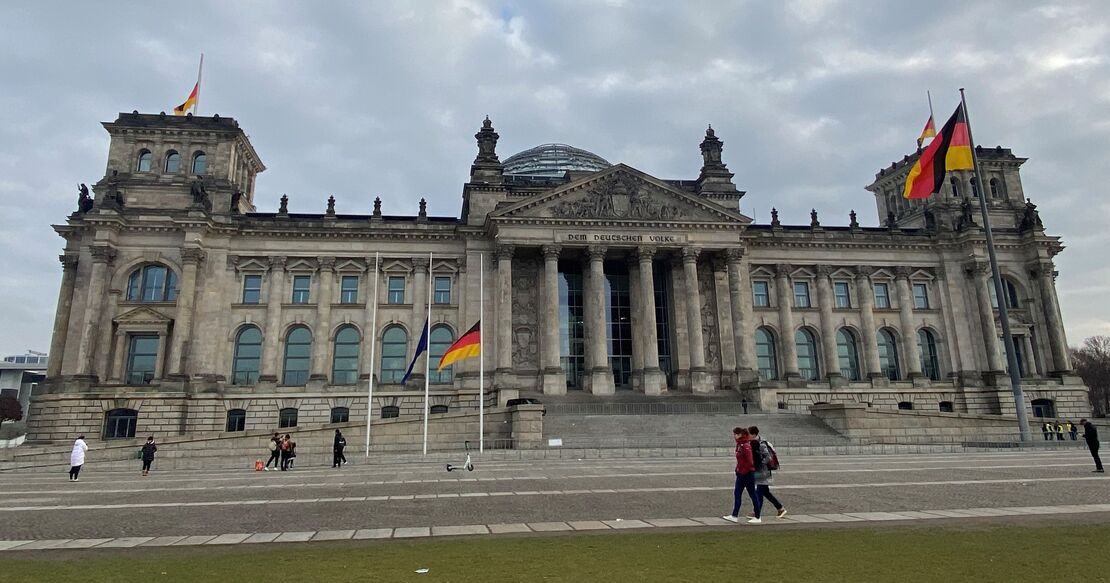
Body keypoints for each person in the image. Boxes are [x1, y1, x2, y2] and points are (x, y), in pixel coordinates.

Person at [722, 427, 762, 524]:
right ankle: (734, 515)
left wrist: (743, 471)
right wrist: (737, 469)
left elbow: (749, 461)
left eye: (736, 434)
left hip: (747, 474)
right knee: (737, 494)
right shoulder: (740, 444)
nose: (734, 436)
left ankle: (757, 516)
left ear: (740, 434)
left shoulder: (745, 445)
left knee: (752, 494)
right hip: (741, 474)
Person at [749, 426, 786, 518]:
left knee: (759, 492)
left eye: (748, 434)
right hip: (759, 471)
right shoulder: (753, 443)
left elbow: (768, 457)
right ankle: (780, 508)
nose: (747, 436)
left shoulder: (761, 444)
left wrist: (760, 464)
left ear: (753, 434)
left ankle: (757, 513)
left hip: (763, 471)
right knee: (765, 492)